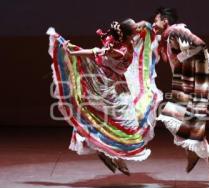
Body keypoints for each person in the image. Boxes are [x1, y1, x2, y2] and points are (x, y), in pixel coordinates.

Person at [47, 18, 163, 176]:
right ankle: (111, 153)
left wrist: (148, 26)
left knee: (122, 121)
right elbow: (95, 52)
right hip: (109, 87)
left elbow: (142, 27)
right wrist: (73, 52)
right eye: (135, 28)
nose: (138, 29)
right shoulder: (118, 49)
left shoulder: (121, 41)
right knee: (126, 123)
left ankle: (110, 154)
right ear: (128, 34)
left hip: (117, 84)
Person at [152, 7, 209, 182]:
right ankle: (196, 152)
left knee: (182, 125)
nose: (154, 24)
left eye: (156, 20)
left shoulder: (175, 32)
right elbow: (205, 54)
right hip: (185, 86)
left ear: (165, 21)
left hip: (193, 87)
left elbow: (200, 46)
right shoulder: (168, 36)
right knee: (175, 122)